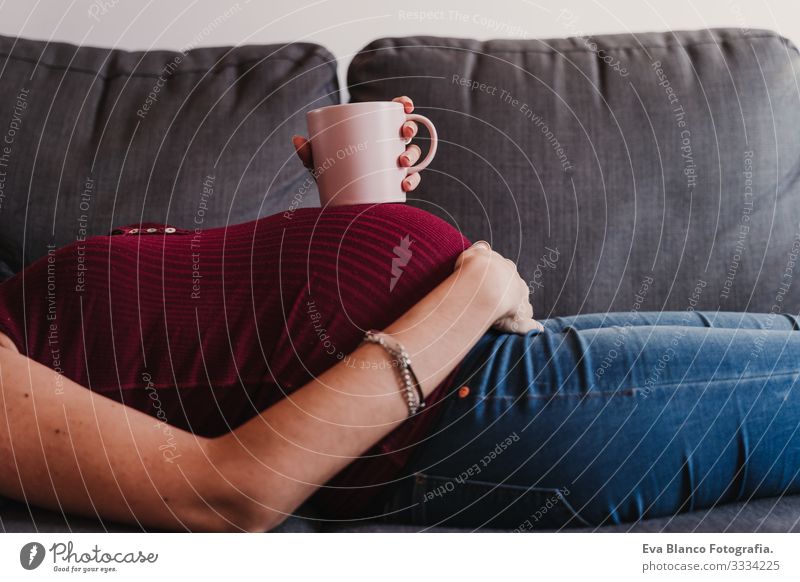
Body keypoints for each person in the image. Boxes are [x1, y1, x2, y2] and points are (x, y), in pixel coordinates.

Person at [0, 97, 797, 533]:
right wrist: (469, 297)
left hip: (489, 361)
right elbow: (229, 493)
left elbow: (232, 352)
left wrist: (356, 222)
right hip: (461, 424)